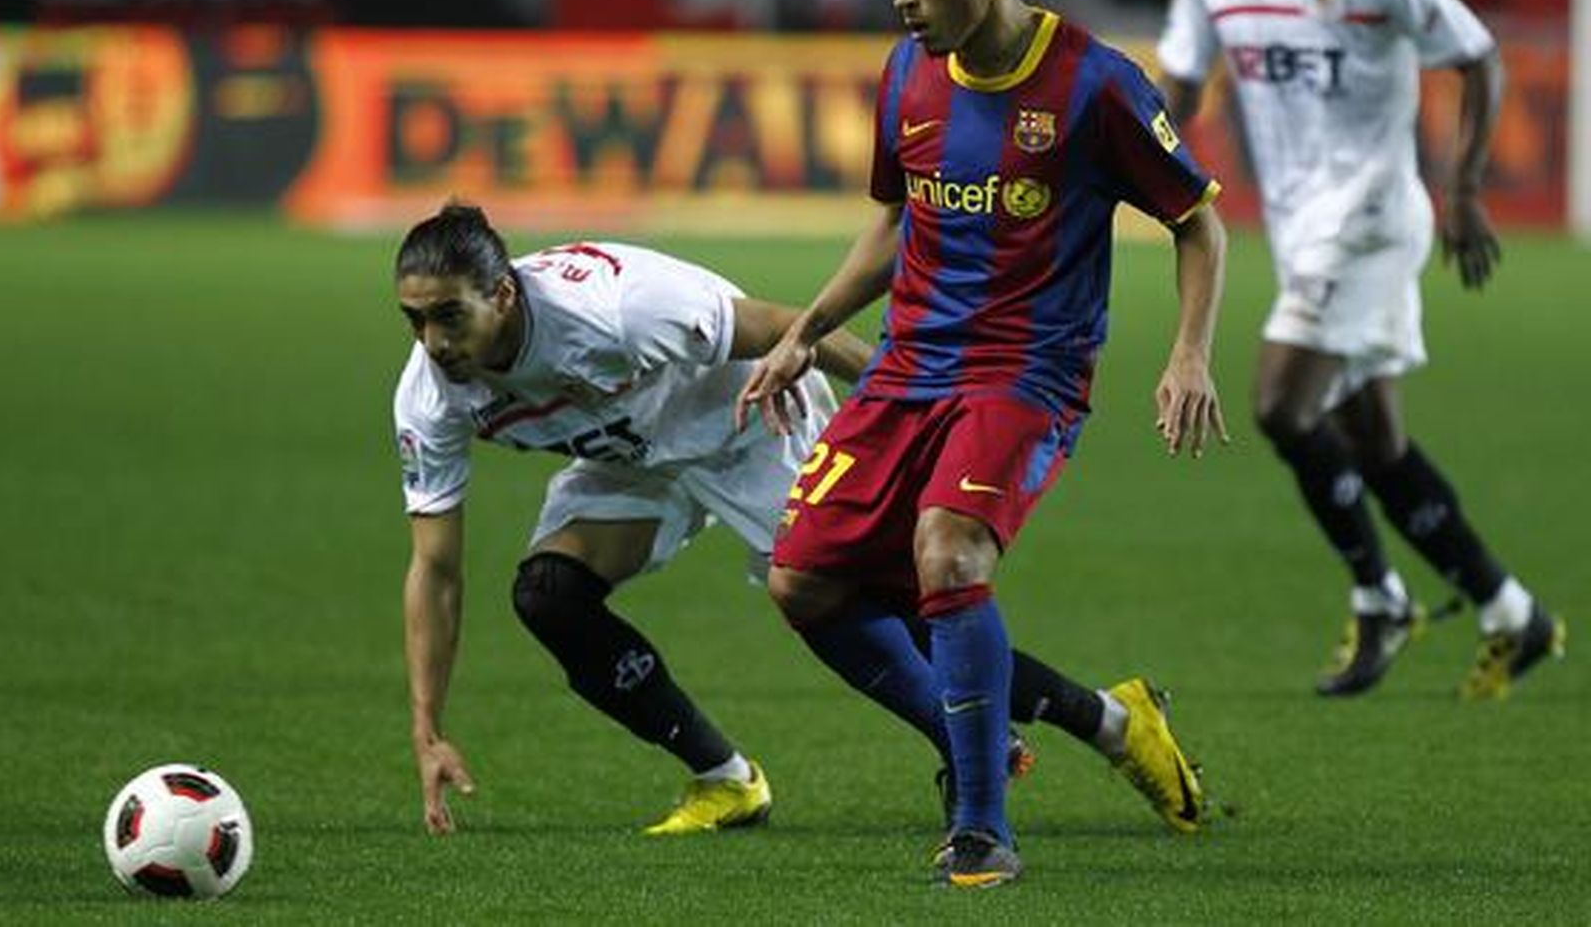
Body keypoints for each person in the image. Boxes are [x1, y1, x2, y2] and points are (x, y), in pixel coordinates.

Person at [392, 202, 1206, 838]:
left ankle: (1111, 721)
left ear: (503, 294)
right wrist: (428, 729)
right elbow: (435, 569)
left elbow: (791, 328)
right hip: (633, 458)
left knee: (860, 607)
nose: (433, 342)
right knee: (550, 596)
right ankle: (726, 781)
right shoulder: (432, 394)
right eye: (416, 321)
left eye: (449, 317)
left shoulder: (616, 307)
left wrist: (912, 419)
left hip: (751, 421)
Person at [737, 0, 1228, 887]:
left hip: (1026, 373)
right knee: (802, 582)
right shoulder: (905, 74)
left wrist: (1189, 353)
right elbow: (893, 224)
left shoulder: (1096, 84)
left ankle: (980, 826)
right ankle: (1038, 731)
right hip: (908, 366)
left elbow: (1197, 222)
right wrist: (806, 332)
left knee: (948, 551)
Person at [1156, 0, 1566, 699]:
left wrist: (1464, 189)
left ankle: (1380, 596)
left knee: (1280, 405)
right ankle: (1510, 610)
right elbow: (1182, 85)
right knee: (1376, 443)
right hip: (1300, 227)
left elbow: (1478, 55)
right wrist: (1126, 161)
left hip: (1372, 217)